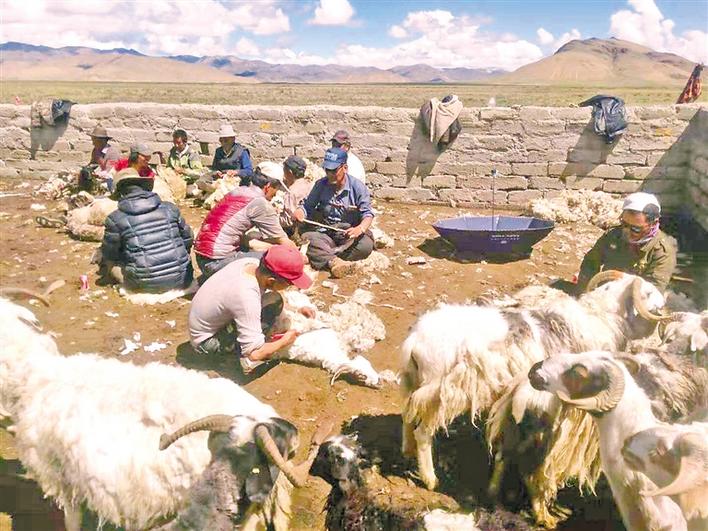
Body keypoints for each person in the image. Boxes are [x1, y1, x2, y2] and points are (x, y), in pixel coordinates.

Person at [188, 245, 313, 374]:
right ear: (271, 281)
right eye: (289, 284)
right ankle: (232, 361)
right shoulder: (246, 295)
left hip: (204, 325)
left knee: (275, 300)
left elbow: (267, 294)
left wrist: (295, 308)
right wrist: (285, 340)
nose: (290, 286)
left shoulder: (250, 264)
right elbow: (254, 354)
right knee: (269, 312)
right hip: (207, 343)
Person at [100, 168, 194, 293]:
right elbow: (188, 237)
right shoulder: (170, 208)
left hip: (144, 285)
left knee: (109, 262)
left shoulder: (115, 219)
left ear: (120, 193)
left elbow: (110, 253)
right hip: (183, 278)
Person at [193, 165, 295, 278]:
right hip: (217, 262)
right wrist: (300, 256)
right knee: (278, 259)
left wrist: (266, 246)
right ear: (268, 186)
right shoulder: (260, 203)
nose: (276, 193)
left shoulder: (237, 191)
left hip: (202, 258)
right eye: (276, 188)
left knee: (257, 241)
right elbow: (283, 241)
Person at [294, 147, 374, 278]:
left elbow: (368, 215)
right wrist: (300, 212)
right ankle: (334, 261)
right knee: (307, 237)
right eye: (327, 170)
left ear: (345, 168)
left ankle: (322, 257)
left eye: (334, 170)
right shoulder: (321, 185)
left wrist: (359, 229)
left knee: (365, 246)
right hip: (326, 234)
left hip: (349, 236)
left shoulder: (358, 187)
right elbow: (307, 206)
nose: (330, 174)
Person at [577, 192, 677, 292]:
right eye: (624, 224)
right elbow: (590, 263)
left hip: (634, 297)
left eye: (636, 229)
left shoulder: (662, 251)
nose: (627, 231)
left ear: (653, 224)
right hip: (605, 292)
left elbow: (653, 291)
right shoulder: (614, 235)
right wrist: (586, 291)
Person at [78, 125, 120, 192]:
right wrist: (85, 170)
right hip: (101, 177)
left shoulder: (112, 153)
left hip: (111, 180)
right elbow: (93, 164)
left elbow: (110, 172)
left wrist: (96, 174)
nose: (93, 143)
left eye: (94, 141)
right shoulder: (96, 150)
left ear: (101, 141)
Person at [280, 155, 314, 235]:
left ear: (290, 172)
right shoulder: (310, 185)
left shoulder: (292, 192)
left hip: (297, 231)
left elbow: (289, 220)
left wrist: (275, 219)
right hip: (311, 227)